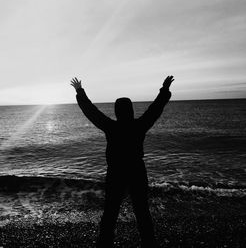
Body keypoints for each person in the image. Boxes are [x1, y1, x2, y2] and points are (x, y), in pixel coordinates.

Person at [70, 76, 174, 248]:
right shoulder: (139, 125)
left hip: (116, 172)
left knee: (111, 212)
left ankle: (105, 243)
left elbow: (91, 112)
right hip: (136, 171)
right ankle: (149, 244)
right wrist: (164, 89)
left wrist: (80, 91)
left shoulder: (112, 127)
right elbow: (156, 108)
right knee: (142, 212)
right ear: (131, 110)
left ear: (117, 111)